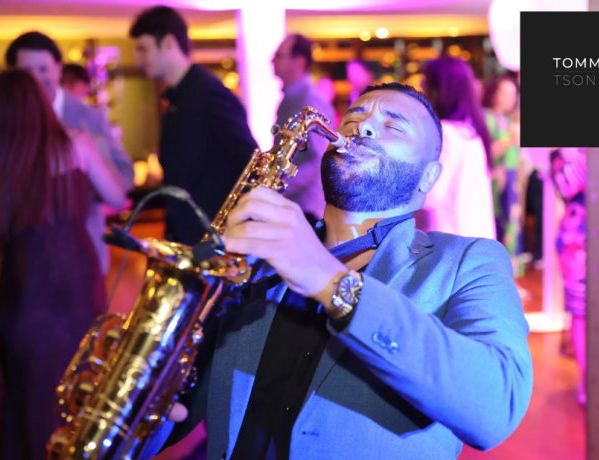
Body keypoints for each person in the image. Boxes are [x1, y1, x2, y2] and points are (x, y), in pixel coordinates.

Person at [141, 82, 533, 460]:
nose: (363, 126)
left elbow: (497, 405)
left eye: (394, 126)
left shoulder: (468, 261)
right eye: (353, 117)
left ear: (428, 176)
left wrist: (331, 281)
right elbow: (172, 412)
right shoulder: (255, 260)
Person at [0, 69, 126, 460]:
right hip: (78, 279)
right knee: (83, 381)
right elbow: (117, 196)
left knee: (29, 394)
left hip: (22, 288)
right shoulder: (77, 144)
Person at [5, 32, 134, 274]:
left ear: (58, 69)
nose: (36, 78)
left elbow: (124, 175)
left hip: (83, 252)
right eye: (27, 71)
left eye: (43, 69)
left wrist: (90, 182)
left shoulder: (89, 119)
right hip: (21, 259)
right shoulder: (4, 124)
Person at [130, 6, 258, 246]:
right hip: (191, 241)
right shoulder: (179, 98)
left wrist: (230, 234)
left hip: (214, 244)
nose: (138, 58)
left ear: (168, 43)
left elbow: (252, 163)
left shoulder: (209, 94)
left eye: (143, 48)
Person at [418, 56, 495, 239]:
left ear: (439, 89)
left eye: (426, 83)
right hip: (473, 239)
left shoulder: (446, 133)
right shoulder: (470, 131)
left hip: (450, 241)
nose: (422, 89)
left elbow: (430, 195)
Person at [272, 34, 335, 226]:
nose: (272, 61)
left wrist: (277, 186)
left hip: (306, 211)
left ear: (299, 61)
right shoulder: (292, 98)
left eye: (279, 55)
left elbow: (321, 160)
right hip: (295, 208)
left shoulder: (310, 100)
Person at [550, 147, 587, 405]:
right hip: (577, 244)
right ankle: (587, 379)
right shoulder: (565, 154)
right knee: (580, 312)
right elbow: (567, 185)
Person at [482, 76, 523, 272]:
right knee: (500, 224)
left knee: (512, 224)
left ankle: (511, 273)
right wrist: (511, 138)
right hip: (496, 182)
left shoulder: (506, 119)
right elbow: (486, 152)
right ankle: (499, 273)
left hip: (512, 179)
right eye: (505, 93)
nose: (510, 98)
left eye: (513, 94)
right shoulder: (485, 117)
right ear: (493, 92)